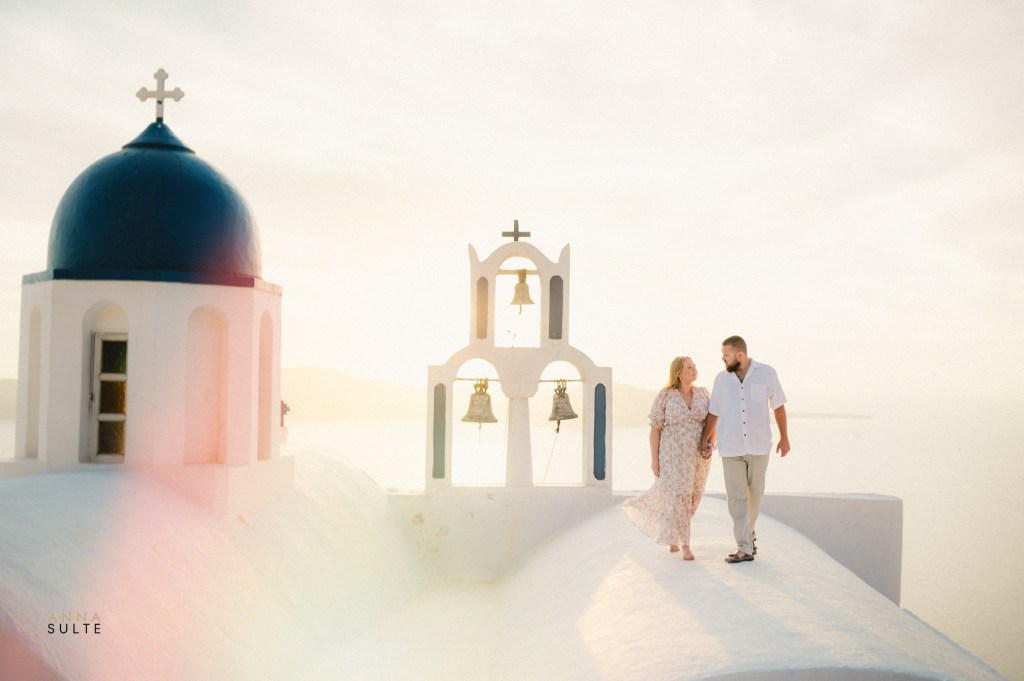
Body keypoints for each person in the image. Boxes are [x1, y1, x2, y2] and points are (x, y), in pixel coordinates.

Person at [700, 335, 789, 564]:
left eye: (726, 355)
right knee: (736, 498)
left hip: (759, 447)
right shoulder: (721, 379)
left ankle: (748, 536)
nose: (722, 358)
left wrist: (784, 438)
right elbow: (714, 412)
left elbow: (778, 406)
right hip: (730, 448)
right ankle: (744, 547)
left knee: (755, 497)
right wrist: (705, 440)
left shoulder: (766, 373)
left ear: (740, 355)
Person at [623, 356, 714, 561]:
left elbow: (712, 422)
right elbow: (655, 430)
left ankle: (674, 534)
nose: (694, 369)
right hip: (672, 456)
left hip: (698, 456)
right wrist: (654, 460)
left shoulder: (703, 394)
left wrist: (710, 445)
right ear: (678, 373)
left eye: (695, 366)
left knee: (693, 496)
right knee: (679, 496)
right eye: (689, 367)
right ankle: (686, 544)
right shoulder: (665, 396)